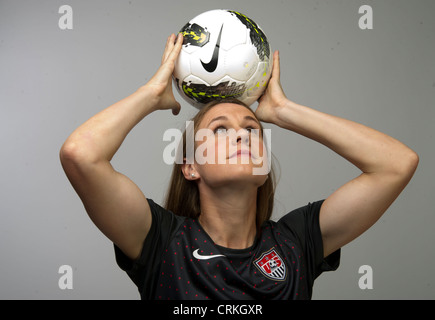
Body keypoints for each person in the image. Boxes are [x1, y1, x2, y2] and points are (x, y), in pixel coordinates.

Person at [60, 33, 418, 299]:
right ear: (191, 166)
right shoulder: (162, 243)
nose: (242, 136)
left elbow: (396, 164)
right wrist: (152, 94)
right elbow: (81, 154)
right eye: (220, 129)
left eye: (252, 129)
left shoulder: (296, 242)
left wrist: (284, 112)